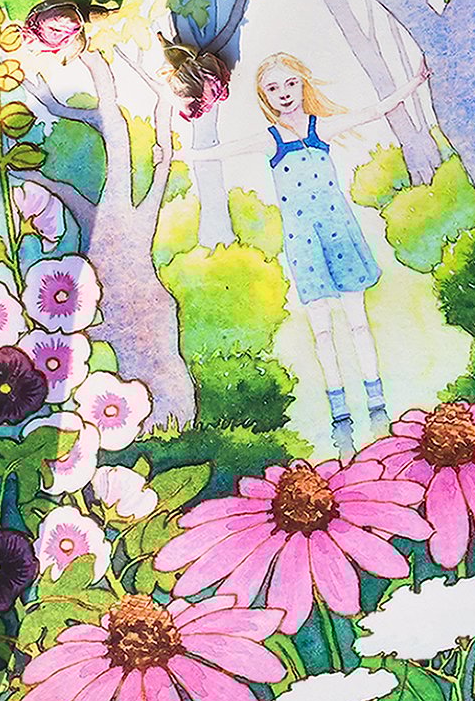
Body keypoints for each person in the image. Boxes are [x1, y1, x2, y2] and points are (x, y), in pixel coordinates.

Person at [179, 51, 429, 453]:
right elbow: (221, 151)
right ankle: (340, 415)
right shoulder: (270, 139)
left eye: (290, 83)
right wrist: (178, 153)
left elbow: (374, 111)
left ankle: (378, 405)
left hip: (340, 235)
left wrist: (414, 83)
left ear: (303, 83)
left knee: (358, 323)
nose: (283, 94)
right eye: (273, 88)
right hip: (305, 242)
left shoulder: (321, 129)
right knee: (323, 331)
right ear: (263, 95)